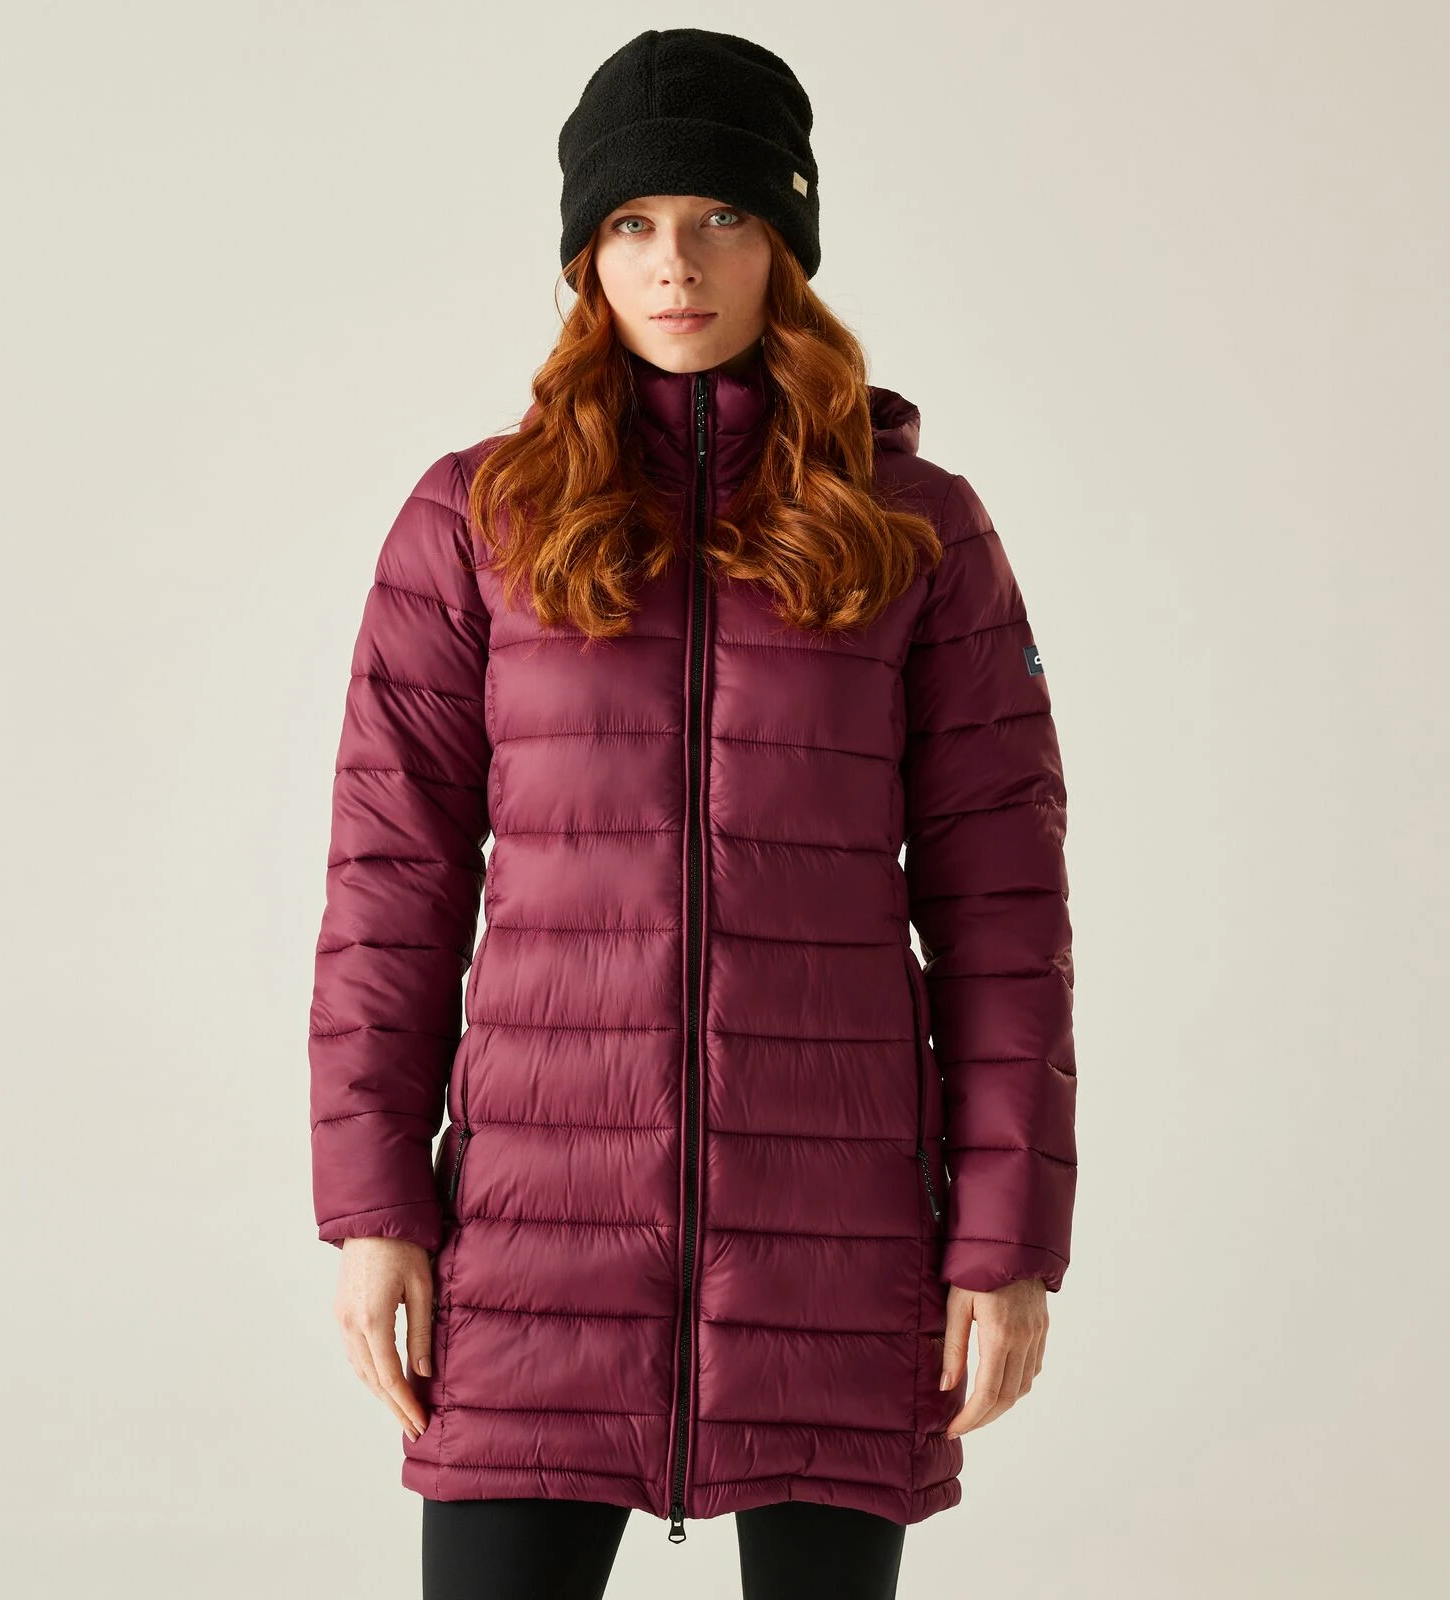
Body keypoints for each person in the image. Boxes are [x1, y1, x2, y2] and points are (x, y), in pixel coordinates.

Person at [307, 26, 1077, 1600]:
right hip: (531, 1243)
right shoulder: (478, 521)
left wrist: (1006, 1241)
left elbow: (1005, 909)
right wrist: (376, 1206)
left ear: (785, 239)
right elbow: (391, 886)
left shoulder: (918, 532)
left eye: (721, 215)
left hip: (839, 1238)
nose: (676, 263)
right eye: (632, 223)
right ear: (586, 257)